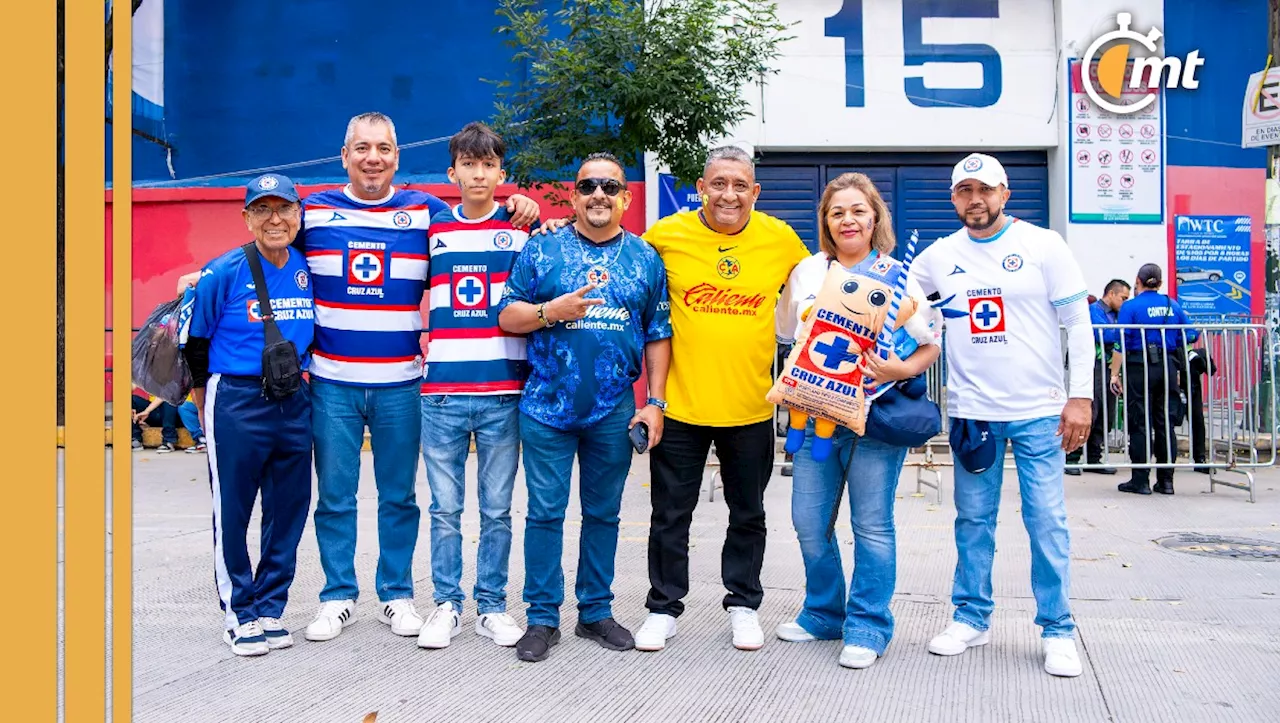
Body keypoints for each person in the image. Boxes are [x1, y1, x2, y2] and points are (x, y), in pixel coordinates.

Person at [178, 112, 541, 643]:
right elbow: (265, 247)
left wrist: (527, 210)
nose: (374, 157)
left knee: (400, 497)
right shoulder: (316, 212)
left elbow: (479, 220)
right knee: (335, 497)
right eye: (363, 148)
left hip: (401, 382)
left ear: (398, 155)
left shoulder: (428, 213)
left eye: (385, 148)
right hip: (330, 383)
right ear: (343, 155)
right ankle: (337, 596)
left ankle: (395, 595)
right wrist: (204, 273)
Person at [912, 153, 1093, 678]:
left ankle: (1058, 629)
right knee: (973, 522)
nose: (976, 199)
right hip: (974, 413)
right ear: (953, 198)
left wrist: (1079, 397)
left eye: (985, 189)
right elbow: (901, 303)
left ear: (1005, 193)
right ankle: (971, 617)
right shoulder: (939, 257)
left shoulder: (1043, 245)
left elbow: (1078, 325)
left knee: (1047, 522)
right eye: (965, 190)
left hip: (1039, 412)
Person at [633, 146, 810, 653]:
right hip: (681, 409)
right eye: (718, 183)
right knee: (670, 515)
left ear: (755, 191)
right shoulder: (667, 236)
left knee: (748, 514)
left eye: (739, 185)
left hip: (751, 408)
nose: (728, 194)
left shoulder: (780, 240)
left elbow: (823, 287)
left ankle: (744, 606)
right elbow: (618, 259)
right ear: (700, 187)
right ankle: (663, 609)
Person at [497, 152, 672, 663]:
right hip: (545, 406)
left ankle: (595, 611)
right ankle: (542, 618)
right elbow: (507, 315)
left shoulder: (645, 258)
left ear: (626, 197)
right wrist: (553, 310)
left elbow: (658, 336)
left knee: (604, 514)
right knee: (545, 515)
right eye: (588, 186)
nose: (599, 194)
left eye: (610, 187)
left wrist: (655, 404)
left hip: (613, 410)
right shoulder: (541, 248)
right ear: (573, 195)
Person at [773, 173, 941, 669]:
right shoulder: (807, 271)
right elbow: (786, 331)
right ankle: (824, 612)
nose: (847, 220)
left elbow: (930, 341)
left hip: (873, 417)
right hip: (814, 415)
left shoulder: (897, 275)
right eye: (836, 211)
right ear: (825, 220)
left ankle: (868, 624)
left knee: (871, 525)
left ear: (875, 219)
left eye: (857, 211)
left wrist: (902, 368)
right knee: (808, 522)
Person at [181, 173, 316, 656]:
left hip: (293, 398)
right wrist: (202, 404)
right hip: (235, 399)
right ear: (246, 218)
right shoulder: (224, 272)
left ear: (299, 215)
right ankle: (239, 612)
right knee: (234, 508)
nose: (275, 218)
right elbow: (195, 344)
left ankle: (270, 606)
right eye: (263, 209)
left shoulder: (307, 266)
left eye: (284, 208)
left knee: (289, 507)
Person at [414, 122, 533, 650]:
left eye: (488, 165)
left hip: (502, 393)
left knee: (497, 509)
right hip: (440, 392)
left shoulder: (521, 231)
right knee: (443, 509)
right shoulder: (432, 230)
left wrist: (530, 207)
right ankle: (446, 604)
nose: (478, 173)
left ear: (500, 173)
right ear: (453, 172)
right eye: (468, 164)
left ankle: (492, 604)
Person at [1110, 263, 1198, 496]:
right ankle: (1166, 481)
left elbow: (1121, 342)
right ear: (1159, 283)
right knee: (1164, 422)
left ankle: (1140, 481)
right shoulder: (1172, 305)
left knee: (1140, 422)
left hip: (1140, 366)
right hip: (1167, 367)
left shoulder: (1131, 307)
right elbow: (1191, 333)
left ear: (1137, 280)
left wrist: (1114, 374)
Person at [1066, 279, 1130, 475]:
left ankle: (1094, 457)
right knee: (1091, 411)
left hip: (1110, 368)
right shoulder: (1094, 311)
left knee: (1106, 413)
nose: (1125, 303)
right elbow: (1104, 335)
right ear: (1111, 293)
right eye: (1123, 298)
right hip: (1095, 366)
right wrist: (1123, 332)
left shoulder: (1117, 315)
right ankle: (1073, 457)